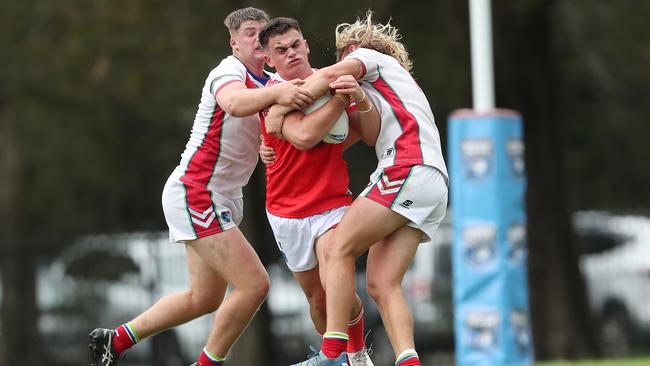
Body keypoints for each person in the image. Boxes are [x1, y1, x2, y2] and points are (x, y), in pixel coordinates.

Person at [88, 7, 315, 366]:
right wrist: (280, 97)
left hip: (219, 196)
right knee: (255, 285)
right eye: (250, 32)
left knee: (203, 299)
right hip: (197, 191)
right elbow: (234, 103)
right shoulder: (228, 71)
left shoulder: (270, 81)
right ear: (234, 42)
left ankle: (115, 340)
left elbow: (265, 127)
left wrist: (266, 140)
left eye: (263, 32)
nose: (259, 39)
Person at [267, 11, 450, 366]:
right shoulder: (389, 84)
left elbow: (331, 77)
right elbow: (352, 135)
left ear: (353, 49)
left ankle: (335, 353)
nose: (341, 65)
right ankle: (408, 361)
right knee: (382, 283)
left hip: (407, 168)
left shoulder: (365, 58)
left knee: (337, 248)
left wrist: (281, 107)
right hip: (432, 183)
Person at [257, 17, 379, 366]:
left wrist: (356, 100)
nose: (291, 53)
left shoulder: (334, 79)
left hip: (332, 204)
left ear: (307, 44)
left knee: (336, 274)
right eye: (280, 49)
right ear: (269, 59)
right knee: (320, 301)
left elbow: (366, 134)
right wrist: (339, 102)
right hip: (286, 211)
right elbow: (305, 136)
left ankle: (349, 355)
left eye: (296, 44)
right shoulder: (271, 94)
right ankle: (342, 356)